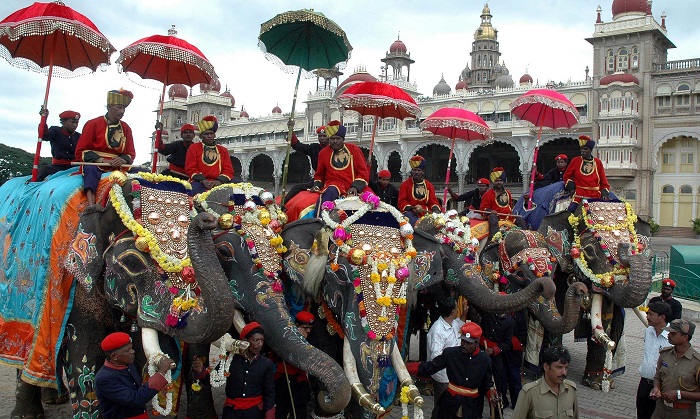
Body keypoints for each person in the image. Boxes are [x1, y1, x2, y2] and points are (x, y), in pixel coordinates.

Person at [418, 322, 498, 419]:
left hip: (472, 407)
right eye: (463, 341)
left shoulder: (485, 359)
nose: (464, 345)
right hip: (449, 403)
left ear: (477, 343)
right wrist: (405, 368)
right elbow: (430, 367)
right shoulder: (450, 353)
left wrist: (491, 396)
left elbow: (487, 383)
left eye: (469, 343)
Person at [75, 88, 136, 206]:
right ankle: (92, 207)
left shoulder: (126, 128)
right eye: (119, 107)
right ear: (109, 107)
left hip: (119, 166)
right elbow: (81, 151)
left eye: (124, 108)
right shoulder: (92, 124)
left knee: (142, 173)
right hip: (96, 164)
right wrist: (102, 160)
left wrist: (122, 159)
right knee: (90, 170)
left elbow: (131, 153)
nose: (122, 111)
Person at [94, 332, 175, 419]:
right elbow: (135, 399)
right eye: (127, 350)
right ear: (114, 356)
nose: (133, 351)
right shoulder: (104, 378)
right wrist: (161, 373)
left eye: (131, 348)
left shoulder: (128, 365)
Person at [310, 120, 369, 210]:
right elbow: (320, 174)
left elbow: (363, 171)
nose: (335, 141)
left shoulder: (354, 149)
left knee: (372, 199)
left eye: (338, 139)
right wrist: (317, 185)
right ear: (329, 139)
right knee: (330, 191)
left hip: (353, 184)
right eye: (332, 139)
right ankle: (318, 219)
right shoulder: (323, 153)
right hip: (334, 185)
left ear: (343, 139)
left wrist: (355, 187)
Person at [223, 322, 276, 419]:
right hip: (232, 413)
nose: (260, 344)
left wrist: (269, 413)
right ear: (245, 341)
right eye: (256, 340)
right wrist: (201, 371)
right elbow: (214, 377)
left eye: (262, 341)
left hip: (254, 413)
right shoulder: (231, 359)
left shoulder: (266, 364)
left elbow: (270, 392)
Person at [425, 297, 467, 419]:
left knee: (453, 405)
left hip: (454, 373)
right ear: (453, 312)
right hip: (443, 376)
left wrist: (464, 312)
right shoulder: (438, 330)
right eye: (456, 307)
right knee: (442, 405)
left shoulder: (452, 322)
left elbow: (461, 324)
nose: (458, 309)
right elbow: (436, 356)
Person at [650, 319, 700, 419]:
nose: (668, 335)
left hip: (683, 413)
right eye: (669, 332)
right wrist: (656, 388)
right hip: (660, 409)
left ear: (685, 337)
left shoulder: (697, 362)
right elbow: (658, 376)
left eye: (673, 333)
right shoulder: (665, 354)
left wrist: (679, 394)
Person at [512, 346, 579, 418]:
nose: (564, 372)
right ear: (546, 367)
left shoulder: (571, 390)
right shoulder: (530, 393)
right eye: (559, 367)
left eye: (566, 368)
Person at [272, 311, 315, 419]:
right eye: (305, 327)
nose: (308, 330)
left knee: (299, 412)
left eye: (310, 327)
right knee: (281, 411)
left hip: (300, 383)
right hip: (283, 379)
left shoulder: (311, 339)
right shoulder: (285, 337)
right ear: (297, 326)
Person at [636, 301, 672, 419]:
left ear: (662, 317)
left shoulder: (672, 338)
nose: (647, 317)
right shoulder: (648, 331)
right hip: (644, 383)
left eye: (651, 314)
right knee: (641, 413)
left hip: (661, 387)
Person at [185, 115, 234, 194]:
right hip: (199, 181)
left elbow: (228, 170)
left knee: (238, 190)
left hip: (218, 181)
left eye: (211, 133)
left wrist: (219, 180)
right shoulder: (194, 148)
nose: (209, 136)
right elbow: (190, 168)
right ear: (201, 136)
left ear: (214, 135)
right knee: (195, 193)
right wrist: (203, 180)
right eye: (206, 134)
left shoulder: (223, 150)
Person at [283, 124, 329, 205]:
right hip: (317, 180)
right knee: (296, 188)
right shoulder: (314, 147)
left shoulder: (335, 149)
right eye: (320, 136)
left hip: (331, 180)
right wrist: (291, 130)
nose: (322, 138)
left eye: (324, 136)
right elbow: (299, 146)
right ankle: (282, 205)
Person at [564, 135, 610, 213]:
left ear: (590, 150)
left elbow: (603, 181)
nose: (583, 151)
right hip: (579, 194)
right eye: (581, 149)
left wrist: (604, 194)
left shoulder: (597, 162)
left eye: (585, 149)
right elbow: (566, 176)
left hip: (595, 195)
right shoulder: (575, 160)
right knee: (570, 210)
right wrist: (572, 188)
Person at [480, 309, 516, 409]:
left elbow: (507, 343)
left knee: (496, 384)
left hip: (495, 356)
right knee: (479, 382)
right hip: (482, 350)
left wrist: (494, 350)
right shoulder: (487, 313)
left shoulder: (510, 322)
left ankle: (497, 412)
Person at [479, 166, 527, 239]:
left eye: (501, 181)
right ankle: (494, 239)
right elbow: (482, 209)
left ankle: (526, 237)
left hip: (508, 217)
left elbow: (510, 206)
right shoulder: (487, 194)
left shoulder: (508, 193)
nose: (499, 182)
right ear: (493, 181)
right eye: (497, 180)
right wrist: (491, 211)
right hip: (495, 217)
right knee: (493, 218)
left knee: (520, 220)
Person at [36, 109, 81, 181]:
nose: (75, 125)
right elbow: (44, 135)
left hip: (75, 166)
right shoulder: (55, 131)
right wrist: (44, 119)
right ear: (63, 122)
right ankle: (33, 186)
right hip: (58, 166)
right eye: (72, 122)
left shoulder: (79, 136)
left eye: (76, 123)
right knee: (44, 170)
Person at [398, 155, 441, 225]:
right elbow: (401, 202)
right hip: (410, 213)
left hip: (426, 213)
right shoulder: (405, 185)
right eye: (415, 170)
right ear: (412, 171)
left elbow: (432, 201)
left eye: (419, 170)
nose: (417, 172)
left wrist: (436, 210)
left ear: (423, 172)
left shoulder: (429, 186)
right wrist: (412, 208)